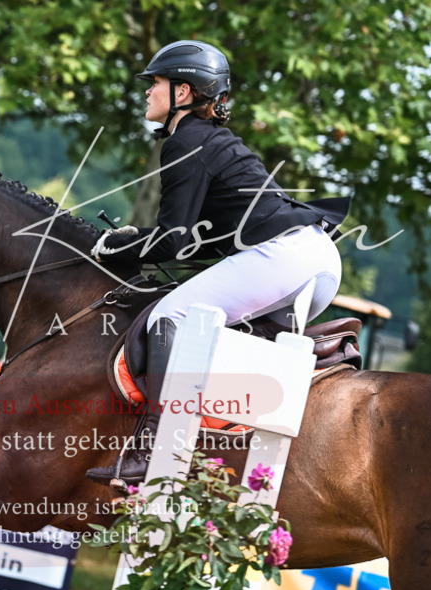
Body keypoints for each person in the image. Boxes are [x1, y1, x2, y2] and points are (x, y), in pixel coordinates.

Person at [85, 40, 348, 488]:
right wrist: (140, 241)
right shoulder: (208, 140)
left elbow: (171, 242)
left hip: (285, 258)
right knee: (222, 337)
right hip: (316, 259)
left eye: (157, 84)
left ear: (183, 93)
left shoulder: (186, 141)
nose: (148, 92)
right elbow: (199, 242)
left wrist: (115, 246)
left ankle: (153, 449)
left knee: (169, 317)